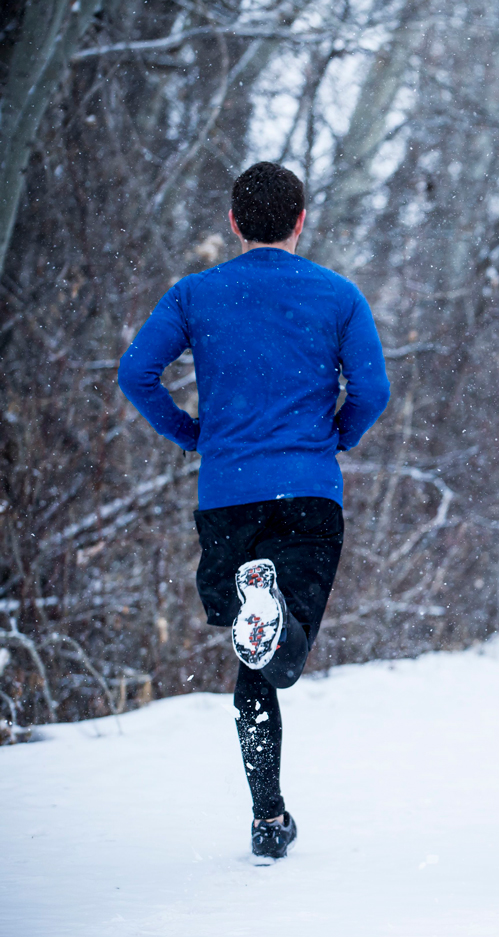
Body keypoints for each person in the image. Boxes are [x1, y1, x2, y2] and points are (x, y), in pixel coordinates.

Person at [117, 162, 390, 861]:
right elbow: (373, 388)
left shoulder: (194, 294)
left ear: (234, 223)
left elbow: (136, 374)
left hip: (229, 496)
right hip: (306, 492)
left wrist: (190, 433)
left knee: (252, 655)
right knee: (279, 656)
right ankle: (268, 622)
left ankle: (268, 817)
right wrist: (340, 433)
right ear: (301, 220)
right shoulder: (337, 295)